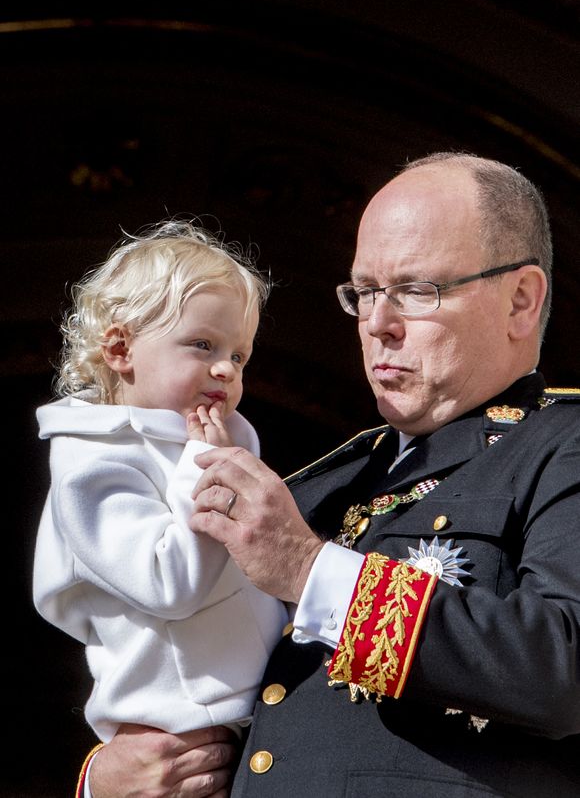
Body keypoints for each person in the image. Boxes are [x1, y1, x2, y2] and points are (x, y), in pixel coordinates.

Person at [83, 153, 580, 798]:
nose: (378, 325)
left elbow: (564, 670)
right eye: (365, 292)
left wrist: (308, 570)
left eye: (418, 289)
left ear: (521, 299)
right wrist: (111, 777)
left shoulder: (558, 443)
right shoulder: (328, 481)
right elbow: (209, 679)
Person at [32, 222, 288, 754]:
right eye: (202, 344)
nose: (226, 367)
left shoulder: (210, 437)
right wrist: (203, 464)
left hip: (259, 706)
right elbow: (169, 583)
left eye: (239, 356)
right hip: (181, 724)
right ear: (121, 348)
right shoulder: (91, 463)